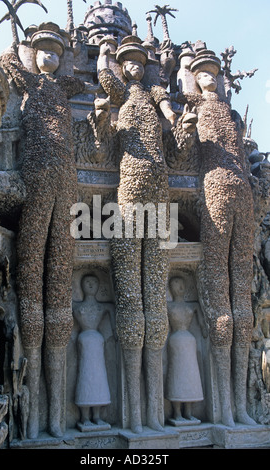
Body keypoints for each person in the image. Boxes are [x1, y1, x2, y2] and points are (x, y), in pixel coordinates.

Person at [97, 34, 197, 433]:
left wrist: (178, 120)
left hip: (159, 190)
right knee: (131, 300)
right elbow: (106, 82)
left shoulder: (156, 99)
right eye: (129, 62)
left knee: (153, 300)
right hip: (128, 192)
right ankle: (134, 415)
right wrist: (104, 55)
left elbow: (172, 122)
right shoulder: (119, 95)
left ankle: (154, 415)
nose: (135, 66)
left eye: (140, 61)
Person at [0, 24, 86, 438]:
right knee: (31, 274)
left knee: (59, 278)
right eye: (42, 51)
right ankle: (32, 424)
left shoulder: (65, 86)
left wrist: (77, 52)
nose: (48, 57)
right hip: (36, 178)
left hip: (67, 183)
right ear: (32, 55)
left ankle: (55, 421)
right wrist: (19, 38)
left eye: (55, 51)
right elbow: (9, 63)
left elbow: (80, 77)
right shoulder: (29, 81)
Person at [186, 47, 256, 426]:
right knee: (221, 304)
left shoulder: (229, 114)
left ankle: (241, 407)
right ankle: (224, 409)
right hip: (213, 191)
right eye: (202, 73)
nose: (209, 78)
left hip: (242, 192)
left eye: (214, 73)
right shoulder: (192, 108)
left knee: (241, 303)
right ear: (193, 78)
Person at [73, 274, 114, 431]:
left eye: (94, 282)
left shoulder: (101, 307)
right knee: (85, 378)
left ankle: (96, 416)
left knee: (98, 380)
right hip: (85, 341)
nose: (91, 284)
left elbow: (111, 308)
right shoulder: (78, 307)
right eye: (87, 282)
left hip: (97, 343)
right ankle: (84, 416)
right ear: (82, 286)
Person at [165, 276, 207, 426]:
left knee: (190, 377)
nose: (180, 287)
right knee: (177, 375)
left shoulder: (193, 305)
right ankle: (177, 412)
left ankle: (188, 412)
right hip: (176, 340)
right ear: (170, 288)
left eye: (182, 283)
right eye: (176, 284)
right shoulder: (168, 306)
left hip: (189, 341)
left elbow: (203, 325)